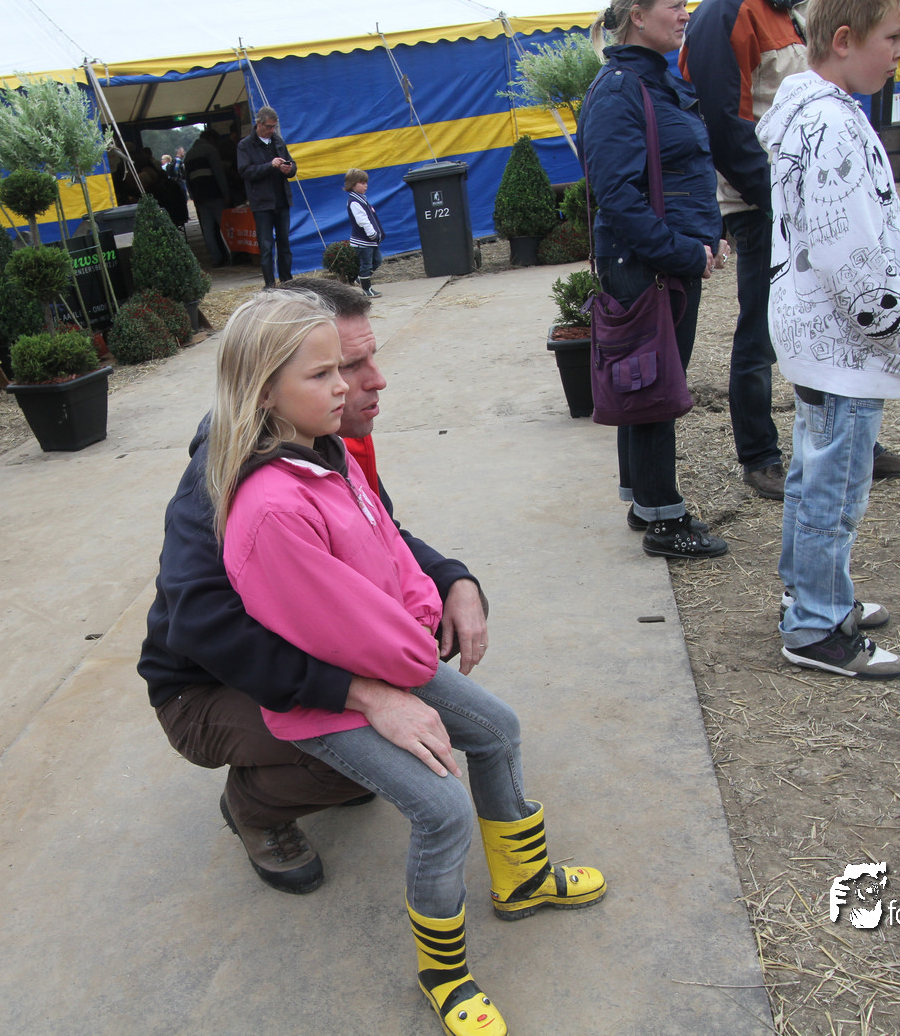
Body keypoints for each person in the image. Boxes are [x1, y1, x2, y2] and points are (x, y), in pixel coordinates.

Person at [208, 289, 604, 1036]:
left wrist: (427, 606)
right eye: (321, 374)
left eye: (342, 367)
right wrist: (416, 651)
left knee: (498, 729)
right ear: (264, 392)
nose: (346, 386)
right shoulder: (272, 507)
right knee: (441, 810)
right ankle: (443, 973)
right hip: (329, 696)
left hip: (391, 660)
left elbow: (393, 549)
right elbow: (340, 624)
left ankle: (522, 880)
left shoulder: (329, 455)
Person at [138, 278, 491, 897]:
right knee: (378, 754)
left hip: (290, 655)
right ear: (268, 384)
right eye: (341, 367)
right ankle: (254, 806)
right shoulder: (229, 481)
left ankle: (316, 765)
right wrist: (363, 695)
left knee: (407, 712)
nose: (372, 381)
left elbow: (381, 535)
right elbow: (203, 625)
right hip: (206, 686)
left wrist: (451, 578)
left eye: (360, 360)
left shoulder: (322, 446)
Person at [680, 0, 900, 499]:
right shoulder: (726, 13)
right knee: (762, 331)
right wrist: (777, 196)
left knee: (829, 321)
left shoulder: (787, 11)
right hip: (762, 201)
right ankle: (760, 455)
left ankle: (854, 439)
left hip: (800, 195)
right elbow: (722, 120)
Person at [758, 0, 900, 679]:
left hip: (817, 338)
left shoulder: (810, 114)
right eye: (894, 37)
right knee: (835, 485)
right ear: (844, 39)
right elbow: (846, 248)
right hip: (847, 346)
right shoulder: (831, 123)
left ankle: (807, 591)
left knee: (810, 476)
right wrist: (896, 333)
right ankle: (816, 624)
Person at [577, 0, 732, 559]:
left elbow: (680, 171)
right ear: (638, 16)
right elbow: (618, 197)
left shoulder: (652, 82)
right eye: (674, 5)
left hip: (661, 262)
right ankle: (666, 521)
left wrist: (710, 235)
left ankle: (646, 504)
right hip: (646, 265)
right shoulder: (619, 90)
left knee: (650, 381)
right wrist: (684, 252)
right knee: (653, 388)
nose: (685, 14)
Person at [235, 106, 298, 287]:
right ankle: (269, 285)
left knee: (285, 244)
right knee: (266, 246)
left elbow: (292, 165)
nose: (272, 130)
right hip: (262, 203)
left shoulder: (278, 141)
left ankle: (287, 282)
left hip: (282, 200)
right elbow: (245, 171)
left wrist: (289, 169)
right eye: (269, 127)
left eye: (274, 127)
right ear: (259, 124)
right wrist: (269, 165)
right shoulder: (245, 145)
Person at [185, 128, 233, 267]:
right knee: (224, 225)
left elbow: (187, 180)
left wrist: (193, 197)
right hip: (214, 193)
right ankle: (232, 255)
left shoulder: (188, 155)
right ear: (212, 139)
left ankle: (216, 258)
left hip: (200, 196)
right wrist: (226, 193)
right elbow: (219, 173)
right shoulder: (210, 150)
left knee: (208, 229)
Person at [343, 168, 385, 297]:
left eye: (366, 183)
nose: (365, 185)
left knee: (377, 260)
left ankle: (360, 279)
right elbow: (363, 221)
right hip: (363, 241)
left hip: (370, 241)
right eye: (362, 183)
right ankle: (367, 289)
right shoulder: (354, 202)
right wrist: (372, 233)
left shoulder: (362, 199)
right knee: (366, 264)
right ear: (352, 185)